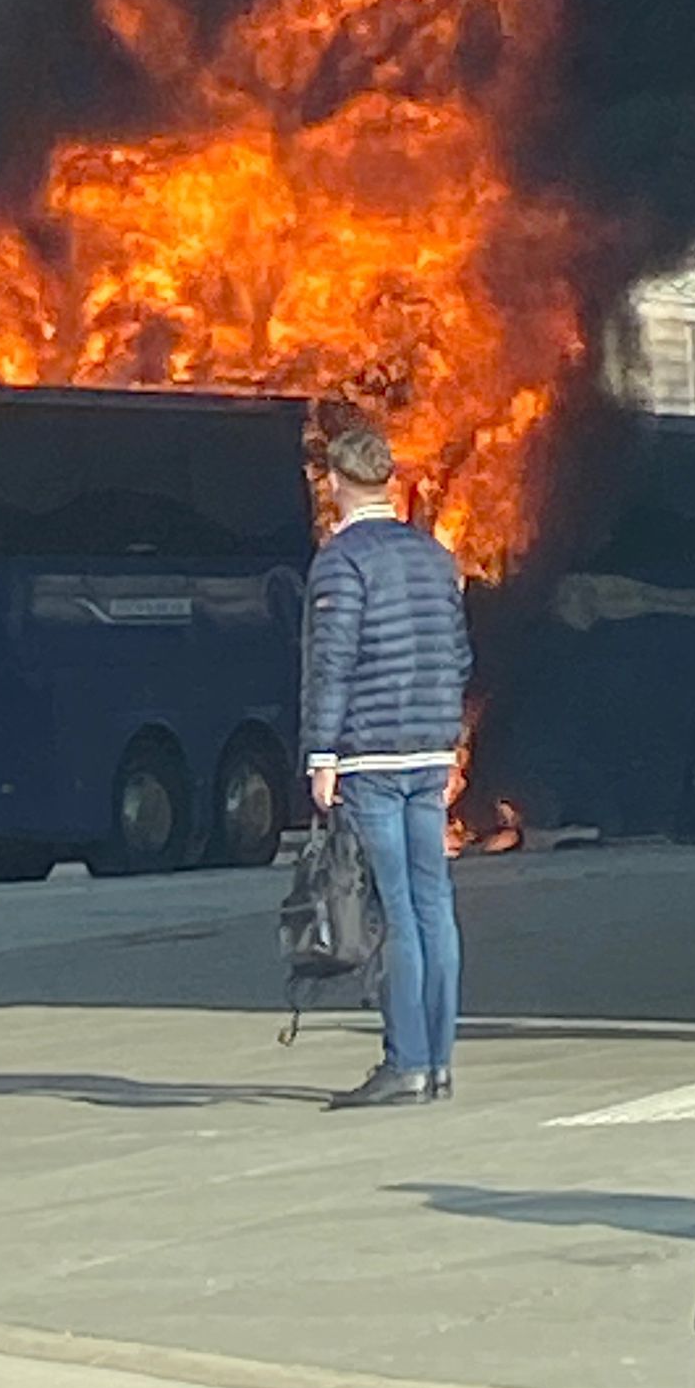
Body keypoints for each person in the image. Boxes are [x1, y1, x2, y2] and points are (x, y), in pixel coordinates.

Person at [300, 423, 471, 1109]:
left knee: (394, 907)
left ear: (336, 484)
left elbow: (331, 664)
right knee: (435, 904)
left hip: (372, 750)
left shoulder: (341, 563)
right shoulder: (434, 557)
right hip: (431, 748)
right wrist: (447, 730)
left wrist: (320, 754)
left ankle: (405, 1061)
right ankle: (440, 1062)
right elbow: (460, 655)